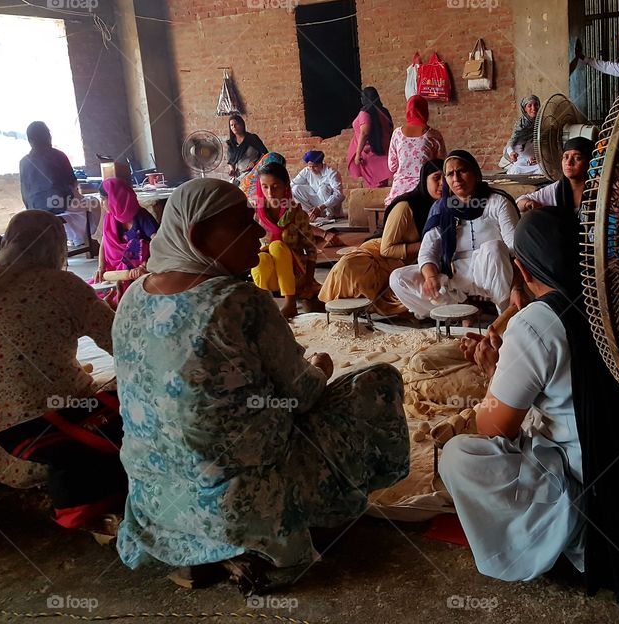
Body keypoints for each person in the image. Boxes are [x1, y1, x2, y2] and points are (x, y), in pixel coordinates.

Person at [112, 178, 409, 590]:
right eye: (241, 223)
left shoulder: (130, 298)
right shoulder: (237, 300)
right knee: (379, 382)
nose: (257, 231)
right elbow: (303, 395)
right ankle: (291, 524)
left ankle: (195, 550)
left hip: (157, 496)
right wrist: (319, 367)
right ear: (199, 236)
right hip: (237, 499)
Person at [439, 207, 619, 611]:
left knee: (459, 456)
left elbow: (494, 427)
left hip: (600, 525)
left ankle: (549, 544)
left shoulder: (534, 323)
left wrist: (495, 373)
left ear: (523, 271)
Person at [0, 210, 114, 488]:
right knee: (128, 386)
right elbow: (125, 347)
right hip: (42, 442)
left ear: (7, 241)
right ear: (59, 247)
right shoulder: (64, 285)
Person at [390, 151, 524, 319]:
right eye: (450, 174)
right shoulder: (441, 207)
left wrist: (517, 287)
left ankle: (504, 318)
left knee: (494, 247)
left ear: (476, 173)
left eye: (462, 171)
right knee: (398, 278)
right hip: (454, 273)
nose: (456, 178)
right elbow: (427, 250)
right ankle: (462, 311)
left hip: (491, 269)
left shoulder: (497, 202)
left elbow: (515, 248)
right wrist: (431, 277)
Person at [319, 159, 444, 316]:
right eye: (436, 177)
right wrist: (427, 245)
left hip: (409, 263)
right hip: (377, 258)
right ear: (424, 179)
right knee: (349, 268)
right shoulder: (406, 207)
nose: (442, 183)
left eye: (447, 178)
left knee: (431, 292)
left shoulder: (448, 206)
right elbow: (387, 249)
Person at [251, 156, 322, 318]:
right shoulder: (257, 214)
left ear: (285, 187)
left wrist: (309, 282)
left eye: (275, 187)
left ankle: (290, 304)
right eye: (265, 187)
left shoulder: (296, 214)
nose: (270, 193)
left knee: (277, 246)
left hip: (295, 274)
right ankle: (263, 302)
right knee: (261, 258)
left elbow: (311, 250)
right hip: (271, 277)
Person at [19, 121, 101, 247]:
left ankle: (76, 239)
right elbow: (72, 184)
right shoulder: (57, 155)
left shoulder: (23, 162)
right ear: (48, 136)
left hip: (35, 208)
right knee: (94, 203)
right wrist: (80, 199)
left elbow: (24, 190)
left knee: (74, 211)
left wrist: (31, 208)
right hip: (60, 203)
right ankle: (91, 239)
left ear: (30, 139)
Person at [93, 178, 159, 305]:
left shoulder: (141, 216)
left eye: (103, 199)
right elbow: (104, 242)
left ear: (114, 199)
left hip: (139, 272)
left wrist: (145, 265)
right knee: (94, 294)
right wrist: (101, 267)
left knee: (136, 245)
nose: (102, 204)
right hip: (116, 272)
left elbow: (158, 242)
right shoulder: (111, 218)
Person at [385, 95, 446, 205]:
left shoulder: (397, 134)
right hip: (425, 189)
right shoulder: (434, 135)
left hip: (399, 192)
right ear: (425, 111)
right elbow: (441, 163)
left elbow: (392, 166)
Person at [516, 136, 593, 217]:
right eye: (565, 157)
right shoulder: (557, 189)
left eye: (578, 158)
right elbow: (519, 202)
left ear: (589, 162)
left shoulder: (596, 187)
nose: (569, 162)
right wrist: (528, 204)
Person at [348, 86, 393, 188]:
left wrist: (358, 153)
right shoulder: (383, 111)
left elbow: (364, 133)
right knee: (381, 183)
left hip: (370, 152)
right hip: (382, 149)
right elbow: (390, 129)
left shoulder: (365, 112)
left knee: (374, 184)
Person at [291, 150, 344, 220]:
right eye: (310, 166)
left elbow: (338, 194)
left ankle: (330, 214)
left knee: (323, 189)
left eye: (315, 166)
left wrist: (321, 207)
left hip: (330, 206)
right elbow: (292, 184)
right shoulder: (307, 171)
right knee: (295, 189)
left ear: (321, 164)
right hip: (316, 203)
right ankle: (310, 213)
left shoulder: (332, 173)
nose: (312, 169)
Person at [498, 95, 543, 176]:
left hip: (533, 162)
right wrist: (512, 154)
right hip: (518, 161)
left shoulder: (542, 124)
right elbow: (511, 143)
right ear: (524, 109)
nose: (534, 108)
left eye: (536, 105)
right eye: (529, 105)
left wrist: (536, 159)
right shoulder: (521, 125)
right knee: (516, 170)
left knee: (543, 169)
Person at [226, 115, 267, 182]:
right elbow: (231, 161)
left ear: (242, 125)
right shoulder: (231, 143)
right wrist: (232, 170)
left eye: (236, 124)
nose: (234, 127)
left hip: (254, 172)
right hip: (239, 174)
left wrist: (255, 163)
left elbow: (264, 154)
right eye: (231, 125)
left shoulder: (252, 138)